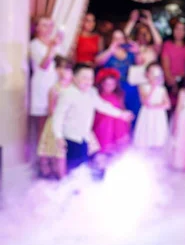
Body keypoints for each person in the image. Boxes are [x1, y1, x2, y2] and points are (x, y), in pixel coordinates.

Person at [52, 64, 133, 173]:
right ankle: (72, 187)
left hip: (85, 136)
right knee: (75, 167)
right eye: (84, 78)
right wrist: (58, 136)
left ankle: (85, 186)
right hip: (71, 137)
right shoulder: (67, 94)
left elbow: (102, 105)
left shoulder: (91, 92)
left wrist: (121, 114)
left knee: (86, 163)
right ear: (74, 78)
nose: (88, 81)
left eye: (90, 78)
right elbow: (58, 116)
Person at [29, 17, 62, 161]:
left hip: (54, 86)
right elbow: (44, 65)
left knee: (54, 125)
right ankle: (42, 162)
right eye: (44, 25)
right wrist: (52, 48)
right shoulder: (34, 45)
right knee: (42, 127)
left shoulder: (55, 43)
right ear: (37, 28)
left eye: (50, 25)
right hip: (41, 86)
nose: (48, 28)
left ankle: (53, 159)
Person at [37, 56, 74, 179]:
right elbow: (51, 109)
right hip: (57, 123)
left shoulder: (74, 89)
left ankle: (70, 176)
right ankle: (59, 176)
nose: (64, 72)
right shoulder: (54, 89)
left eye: (67, 69)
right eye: (61, 68)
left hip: (72, 123)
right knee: (58, 152)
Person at [93, 68, 131, 156]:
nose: (110, 87)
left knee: (117, 149)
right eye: (107, 84)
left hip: (117, 125)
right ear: (102, 84)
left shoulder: (118, 96)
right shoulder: (98, 97)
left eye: (112, 84)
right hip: (103, 125)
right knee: (104, 146)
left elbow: (122, 109)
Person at [133, 63, 171, 149]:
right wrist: (153, 88)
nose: (155, 76)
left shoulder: (162, 89)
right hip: (147, 115)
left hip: (158, 115)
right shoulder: (143, 86)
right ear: (147, 74)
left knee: (158, 136)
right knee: (147, 135)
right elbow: (145, 101)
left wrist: (154, 107)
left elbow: (167, 104)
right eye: (152, 73)